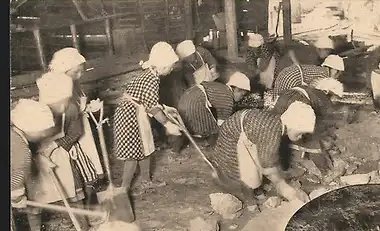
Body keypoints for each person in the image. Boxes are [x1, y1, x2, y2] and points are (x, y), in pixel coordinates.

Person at [212, 103, 315, 207]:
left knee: (258, 164)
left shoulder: (278, 123)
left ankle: (256, 189)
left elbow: (269, 157)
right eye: (301, 132)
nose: (301, 137)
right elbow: (268, 168)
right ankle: (250, 201)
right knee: (243, 173)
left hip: (244, 130)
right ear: (293, 125)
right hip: (233, 136)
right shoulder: (272, 132)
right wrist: (286, 189)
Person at [113, 41, 182, 194]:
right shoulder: (151, 79)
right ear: (163, 65)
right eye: (171, 66)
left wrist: (163, 108)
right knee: (133, 153)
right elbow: (151, 107)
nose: (171, 70)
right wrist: (167, 124)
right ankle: (123, 189)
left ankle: (146, 181)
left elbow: (148, 101)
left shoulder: (151, 75)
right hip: (129, 116)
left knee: (147, 147)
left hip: (137, 113)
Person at [32, 72, 94, 231]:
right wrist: (40, 154)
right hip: (37, 155)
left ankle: (83, 226)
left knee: (73, 188)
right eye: (57, 102)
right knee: (36, 195)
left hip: (61, 150)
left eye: (64, 101)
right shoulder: (36, 111)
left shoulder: (71, 108)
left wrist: (55, 145)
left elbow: (76, 131)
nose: (61, 105)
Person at [48, 47, 104, 209]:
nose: (79, 76)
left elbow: (78, 107)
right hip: (69, 135)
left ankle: (92, 203)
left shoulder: (74, 86)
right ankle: (87, 206)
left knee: (89, 166)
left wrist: (89, 108)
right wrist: (68, 141)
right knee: (80, 172)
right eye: (75, 73)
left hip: (81, 129)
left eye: (81, 72)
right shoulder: (57, 91)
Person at [11, 99, 56, 231]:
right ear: (29, 129)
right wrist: (18, 197)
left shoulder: (16, 132)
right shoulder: (22, 153)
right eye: (42, 131)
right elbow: (16, 178)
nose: (45, 134)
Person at [271, 77, 344, 173]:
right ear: (328, 92)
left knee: (279, 132)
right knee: (312, 142)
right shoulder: (323, 98)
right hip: (298, 104)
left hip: (283, 99)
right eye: (335, 97)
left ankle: (281, 166)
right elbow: (322, 124)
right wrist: (327, 138)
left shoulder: (311, 90)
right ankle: (326, 171)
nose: (335, 101)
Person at [176, 71, 251, 149]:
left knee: (192, 123)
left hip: (186, 97)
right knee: (214, 128)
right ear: (237, 89)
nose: (241, 98)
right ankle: (215, 146)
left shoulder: (222, 88)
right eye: (242, 95)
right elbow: (222, 124)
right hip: (194, 102)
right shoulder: (227, 98)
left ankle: (204, 142)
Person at [271, 54, 345, 107]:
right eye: (338, 73)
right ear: (335, 70)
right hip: (291, 78)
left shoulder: (320, 70)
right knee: (285, 104)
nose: (337, 77)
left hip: (285, 73)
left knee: (279, 100)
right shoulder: (324, 75)